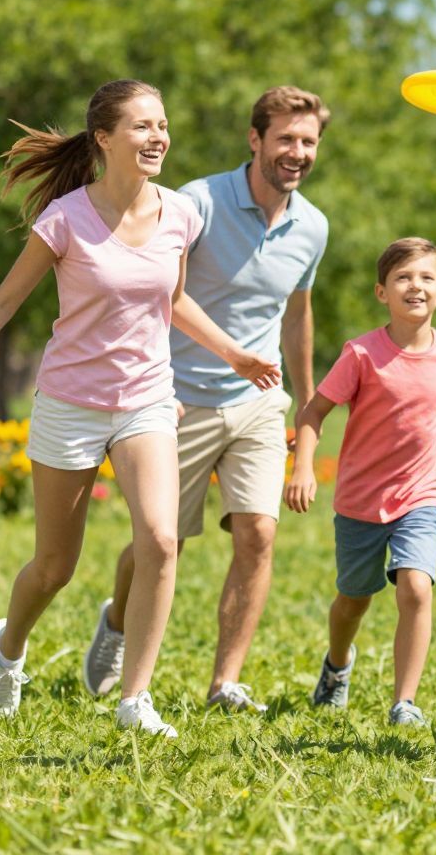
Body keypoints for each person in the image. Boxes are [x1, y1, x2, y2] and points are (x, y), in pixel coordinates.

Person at [0, 79, 281, 737]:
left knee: (161, 540)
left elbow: (173, 300)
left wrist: (233, 353)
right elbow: (2, 301)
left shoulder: (180, 215)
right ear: (104, 139)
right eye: (142, 126)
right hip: (70, 404)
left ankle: (135, 699)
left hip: (146, 399)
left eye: (162, 125)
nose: (158, 136)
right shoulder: (65, 219)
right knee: (54, 567)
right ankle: (9, 646)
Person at [83, 86, 331, 713]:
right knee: (159, 541)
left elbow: (297, 316)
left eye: (308, 142)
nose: (296, 152)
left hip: (259, 400)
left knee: (257, 535)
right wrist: (154, 385)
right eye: (285, 139)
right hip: (180, 396)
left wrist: (304, 405)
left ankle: (225, 682)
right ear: (256, 140)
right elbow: (159, 291)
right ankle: (117, 619)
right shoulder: (199, 202)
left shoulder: (313, 227)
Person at [284, 237, 436, 726]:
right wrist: (302, 466)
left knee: (416, 588)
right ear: (382, 292)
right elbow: (315, 411)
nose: (415, 286)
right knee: (353, 599)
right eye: (403, 277)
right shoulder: (361, 354)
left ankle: (404, 702)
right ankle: (337, 664)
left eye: (426, 278)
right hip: (361, 500)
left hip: (423, 494)